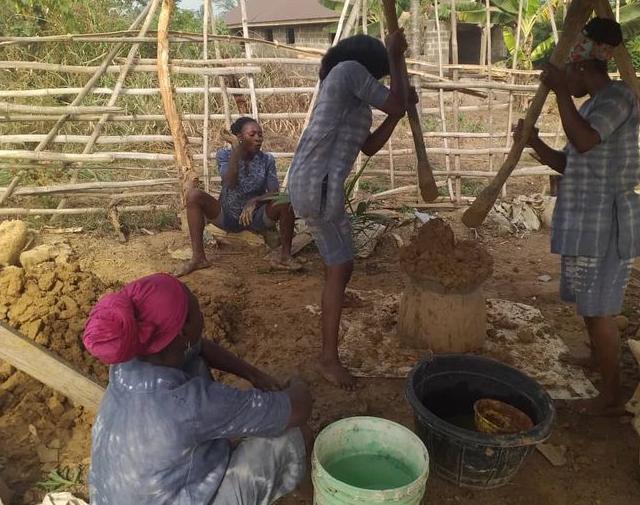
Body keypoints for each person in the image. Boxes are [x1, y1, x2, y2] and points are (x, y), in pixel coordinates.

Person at [83, 273, 313, 504]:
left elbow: (197, 347)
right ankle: (313, 493)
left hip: (115, 495)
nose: (202, 312)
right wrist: (296, 382)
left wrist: (254, 374)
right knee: (289, 431)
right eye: (196, 309)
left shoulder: (131, 360)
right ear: (183, 331)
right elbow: (298, 409)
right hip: (181, 437)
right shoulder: (191, 405)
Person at [516, 17, 640, 416]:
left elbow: (586, 142)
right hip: (584, 219)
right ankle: (596, 360)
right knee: (589, 302)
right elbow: (570, 162)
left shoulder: (619, 97)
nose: (565, 84)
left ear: (582, 66)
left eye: (566, 75)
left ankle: (610, 394)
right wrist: (534, 141)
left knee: (601, 307)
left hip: (607, 220)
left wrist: (559, 93)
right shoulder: (591, 105)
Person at [287, 31, 414, 390]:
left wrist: (398, 113)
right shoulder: (348, 70)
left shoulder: (351, 95)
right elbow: (396, 103)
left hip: (317, 183)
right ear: (372, 63)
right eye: (384, 71)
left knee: (340, 262)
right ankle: (328, 358)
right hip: (319, 185)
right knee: (340, 263)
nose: (383, 78)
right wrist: (396, 57)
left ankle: (338, 291)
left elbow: (370, 146)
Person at [174, 117, 301, 277]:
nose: (258, 138)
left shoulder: (266, 159)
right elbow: (229, 182)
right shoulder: (224, 155)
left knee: (285, 201)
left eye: (260, 135)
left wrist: (255, 201)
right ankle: (199, 258)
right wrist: (235, 150)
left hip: (256, 218)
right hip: (227, 216)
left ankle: (285, 256)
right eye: (252, 134)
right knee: (193, 195)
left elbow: (274, 192)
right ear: (239, 137)